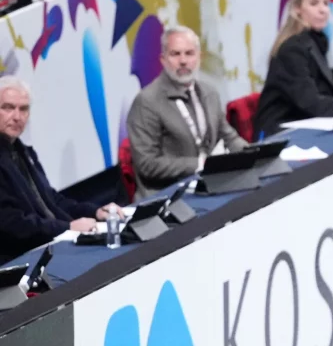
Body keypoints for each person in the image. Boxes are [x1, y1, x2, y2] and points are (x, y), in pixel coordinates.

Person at [0, 76, 123, 264]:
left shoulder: (23, 151)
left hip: (53, 246)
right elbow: (11, 222)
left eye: (23, 109)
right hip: (21, 259)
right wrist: (67, 227)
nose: (17, 116)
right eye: (8, 107)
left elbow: (52, 201)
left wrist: (95, 212)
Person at [127, 26, 248, 200]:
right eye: (175, 54)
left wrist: (252, 154)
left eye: (189, 53)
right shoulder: (147, 102)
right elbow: (147, 164)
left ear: (199, 57)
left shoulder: (209, 92)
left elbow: (229, 137)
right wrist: (200, 164)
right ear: (163, 59)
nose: (183, 61)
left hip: (209, 185)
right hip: (168, 196)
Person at [252, 0, 333, 138]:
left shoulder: (316, 40)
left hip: (306, 120)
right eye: (314, 3)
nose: (323, 10)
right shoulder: (292, 49)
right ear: (297, 9)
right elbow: (308, 100)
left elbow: (330, 86)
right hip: (279, 131)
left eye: (326, 3)